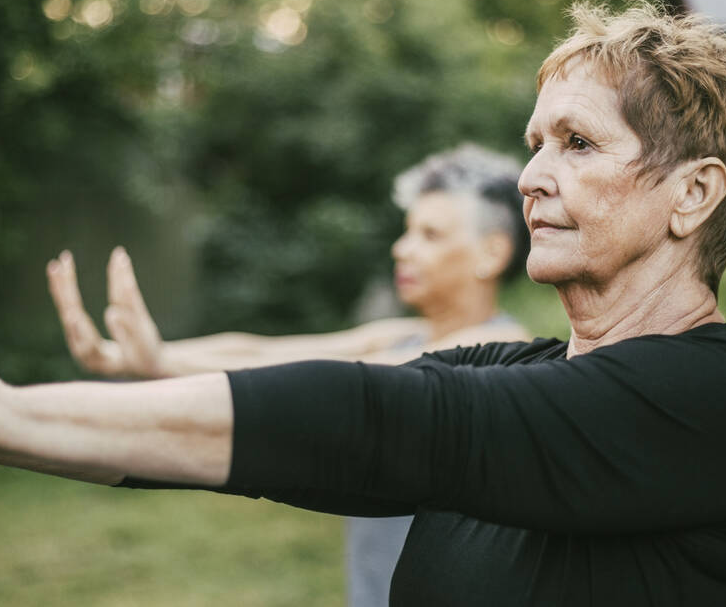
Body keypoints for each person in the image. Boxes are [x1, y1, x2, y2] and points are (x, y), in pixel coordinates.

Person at [0, 0, 726, 606]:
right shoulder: (509, 374)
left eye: (577, 143)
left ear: (692, 193)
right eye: (533, 141)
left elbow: (382, 425)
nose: (529, 175)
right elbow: (311, 407)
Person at [41, 143, 531, 607]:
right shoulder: (401, 334)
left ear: (491, 253)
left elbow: (337, 383)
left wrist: (159, 364)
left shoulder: (502, 355)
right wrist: (141, 356)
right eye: (406, 231)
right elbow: (263, 350)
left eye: (430, 235)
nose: (402, 249)